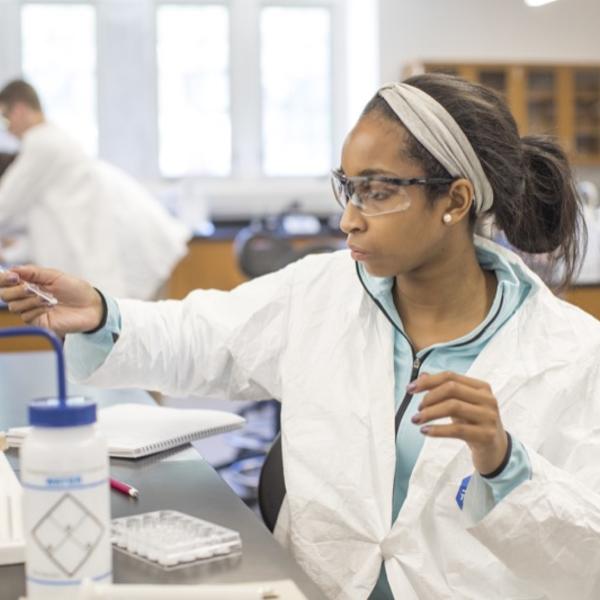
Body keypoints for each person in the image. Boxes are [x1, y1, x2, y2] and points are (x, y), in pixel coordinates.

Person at [2, 74, 600, 600]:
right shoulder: (323, 290)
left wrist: (504, 465)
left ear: (455, 200)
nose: (349, 217)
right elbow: (202, 335)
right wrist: (103, 313)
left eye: (379, 190)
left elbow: (589, 561)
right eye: (349, 186)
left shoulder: (571, 353)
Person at [0, 80, 190, 299]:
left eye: (5, 118)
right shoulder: (51, 140)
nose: (7, 130)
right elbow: (42, 224)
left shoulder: (42, 143)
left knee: (140, 326)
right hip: (131, 239)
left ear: (20, 110)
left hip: (129, 245)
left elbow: (5, 206)